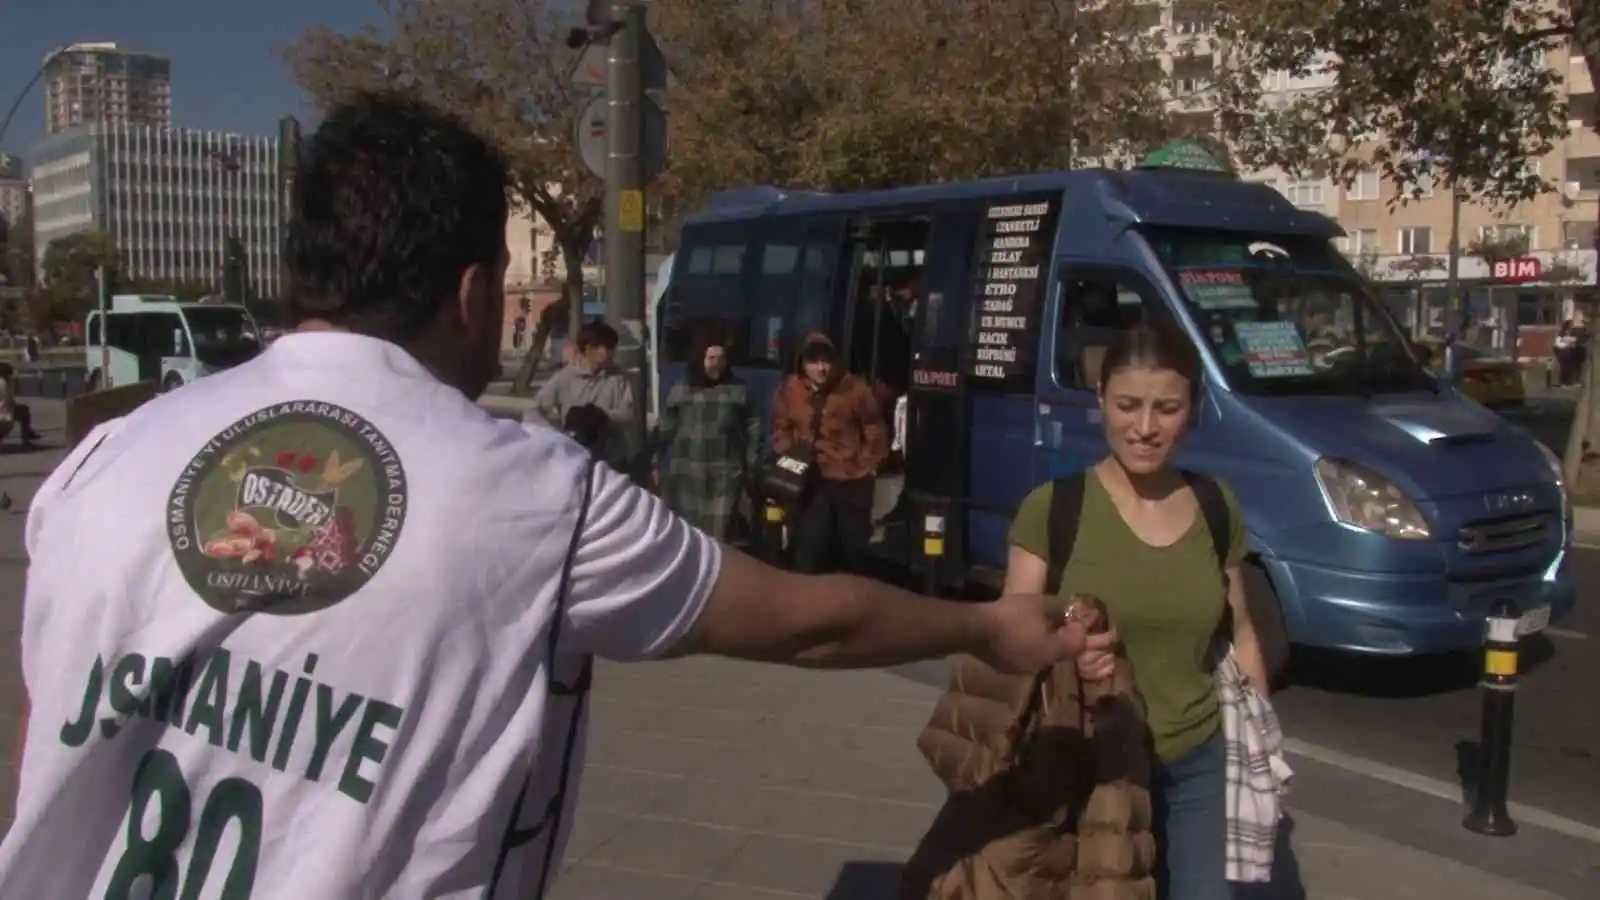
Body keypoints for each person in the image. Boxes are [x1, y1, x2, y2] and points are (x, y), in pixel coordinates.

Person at [0, 93, 1113, 900]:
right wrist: (988, 625)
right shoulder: (534, 495)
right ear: (478, 291)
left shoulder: (105, 459)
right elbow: (806, 620)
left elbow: (46, 740)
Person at [908, 321, 1274, 900]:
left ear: (1193, 410)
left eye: (1167, 409)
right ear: (1100, 399)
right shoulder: (1054, 509)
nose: (1146, 428)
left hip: (1196, 760)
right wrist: (1071, 657)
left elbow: (1244, 634)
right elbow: (1012, 643)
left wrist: (1265, 757)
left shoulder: (1215, 506)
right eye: (1128, 405)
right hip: (1089, 765)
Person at [771, 333, 889, 573]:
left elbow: (874, 429)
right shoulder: (790, 389)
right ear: (803, 364)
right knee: (808, 547)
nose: (822, 369)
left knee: (853, 552)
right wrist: (790, 455)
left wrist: (866, 466)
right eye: (814, 363)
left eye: (826, 362)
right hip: (810, 479)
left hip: (849, 479)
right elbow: (780, 426)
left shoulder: (853, 387)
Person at [652, 333, 761, 541]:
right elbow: (666, 427)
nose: (717, 364)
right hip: (687, 475)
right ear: (700, 359)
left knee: (718, 536)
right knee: (687, 534)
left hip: (724, 475)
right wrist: (655, 459)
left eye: (722, 359)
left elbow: (753, 427)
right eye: (712, 358)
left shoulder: (738, 389)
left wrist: (751, 462)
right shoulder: (683, 387)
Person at [531, 320, 635, 467]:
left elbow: (628, 414)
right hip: (576, 458)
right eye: (606, 347)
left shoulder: (619, 377)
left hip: (612, 458)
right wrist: (556, 435)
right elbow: (535, 410)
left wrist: (602, 416)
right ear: (588, 349)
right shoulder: (566, 377)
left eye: (613, 347)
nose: (611, 353)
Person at [0, 363, 39, 449]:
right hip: (3, 417)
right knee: (24, 411)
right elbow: (8, 401)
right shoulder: (4, 383)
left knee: (22, 410)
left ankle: (28, 434)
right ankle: (26, 439)